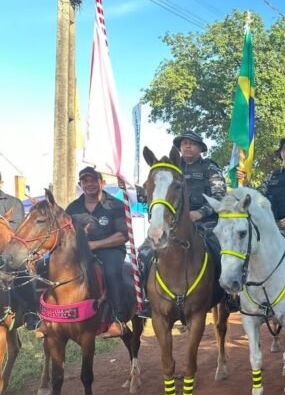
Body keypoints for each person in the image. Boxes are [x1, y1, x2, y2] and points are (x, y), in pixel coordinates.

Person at [137, 130, 226, 317]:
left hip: (205, 223)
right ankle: (146, 300)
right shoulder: (170, 168)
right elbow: (157, 194)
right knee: (144, 254)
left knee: (223, 251)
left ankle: (227, 293)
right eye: (184, 143)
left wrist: (200, 213)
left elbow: (220, 196)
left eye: (192, 143)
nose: (187, 146)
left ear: (200, 148)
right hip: (172, 224)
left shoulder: (210, 168)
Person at [65, 167, 128, 337]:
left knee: (112, 272)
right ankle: (45, 317)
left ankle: (119, 319)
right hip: (81, 252)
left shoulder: (115, 205)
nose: (90, 184)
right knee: (51, 267)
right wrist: (78, 238)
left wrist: (94, 244)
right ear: (81, 184)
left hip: (111, 250)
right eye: (85, 181)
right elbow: (64, 235)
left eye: (93, 180)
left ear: (103, 183)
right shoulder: (72, 208)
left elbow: (122, 236)